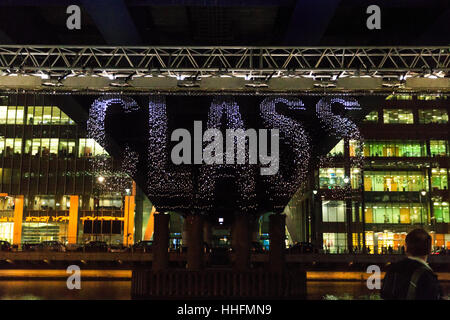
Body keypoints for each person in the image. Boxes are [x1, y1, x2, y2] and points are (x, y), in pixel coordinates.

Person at [381, 229, 443, 300]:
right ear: (429, 249)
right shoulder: (427, 276)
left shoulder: (392, 269)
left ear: (406, 247)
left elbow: (384, 294)